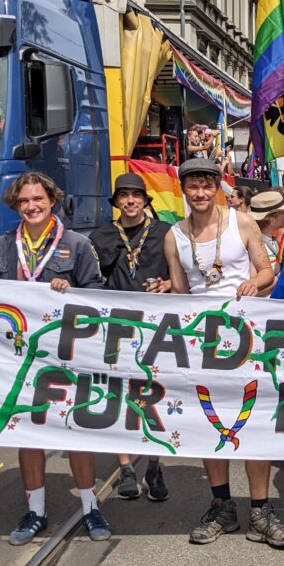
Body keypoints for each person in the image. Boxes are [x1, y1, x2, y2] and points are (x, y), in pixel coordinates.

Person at [162, 159, 284, 547]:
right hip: (203, 344)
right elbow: (180, 293)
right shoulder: (174, 236)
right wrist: (160, 292)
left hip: (247, 338)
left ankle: (260, 509)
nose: (200, 193)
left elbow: (268, 271)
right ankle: (222, 506)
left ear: (217, 187)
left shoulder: (242, 223)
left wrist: (255, 283)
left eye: (207, 185)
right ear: (184, 190)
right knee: (210, 421)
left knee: (253, 419)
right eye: (193, 187)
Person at [0, 173, 109, 546]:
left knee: (76, 431)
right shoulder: (4, 246)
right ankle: (35, 511)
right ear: (16, 205)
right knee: (28, 432)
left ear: (52, 200)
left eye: (38, 199)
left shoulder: (77, 244)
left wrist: (71, 291)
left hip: (69, 355)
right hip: (22, 357)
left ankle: (90, 506)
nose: (31, 206)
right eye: (24, 201)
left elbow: (99, 295)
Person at [88, 173, 174, 501]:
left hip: (156, 326)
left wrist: (167, 285)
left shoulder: (165, 233)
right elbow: (89, 280)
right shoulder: (101, 236)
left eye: (136, 195)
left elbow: (179, 276)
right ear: (116, 202)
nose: (130, 201)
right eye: (123, 196)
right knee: (120, 397)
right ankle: (125, 466)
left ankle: (154, 464)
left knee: (154, 396)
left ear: (146, 200)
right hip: (117, 328)